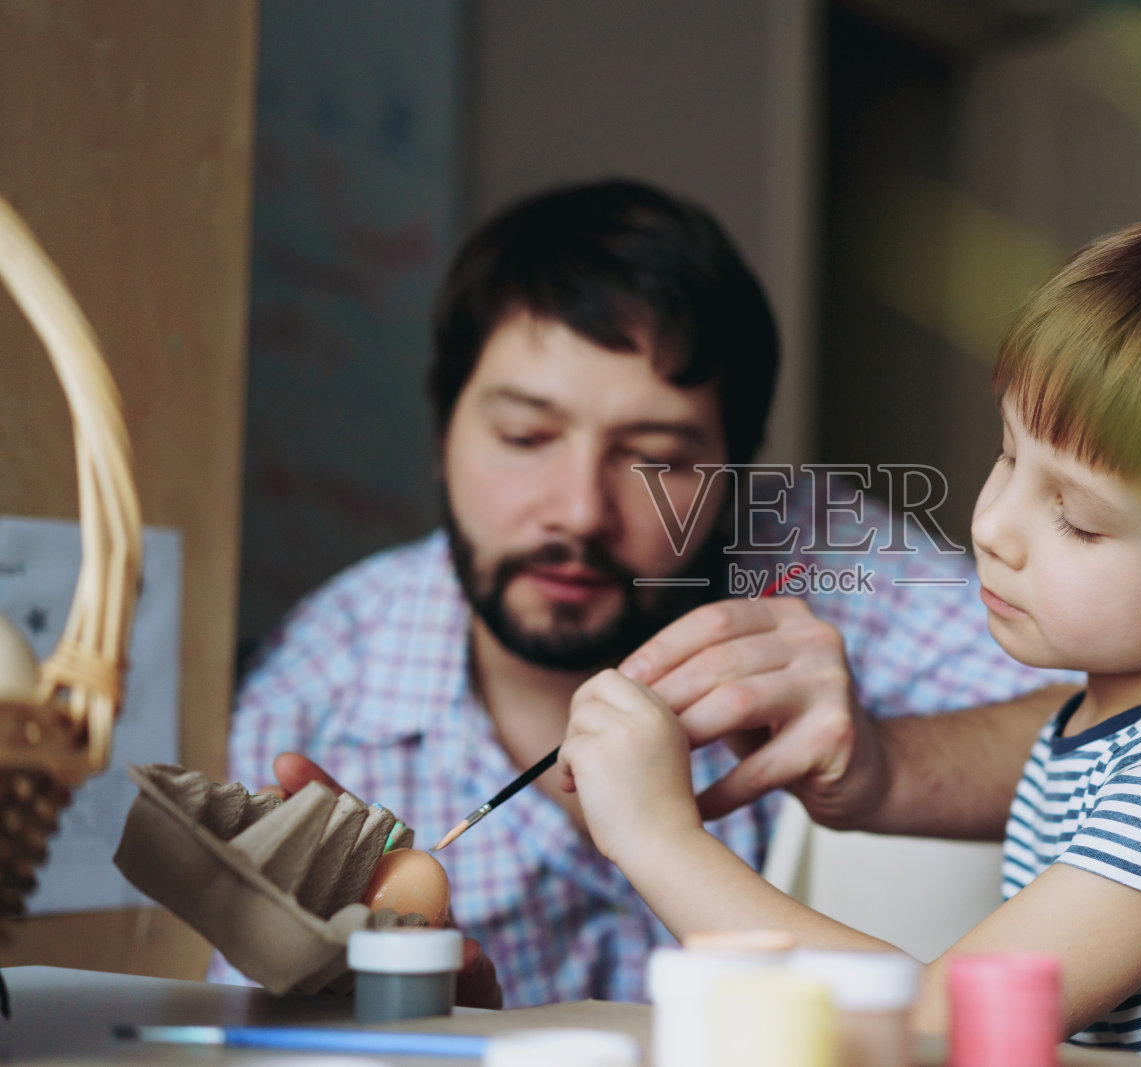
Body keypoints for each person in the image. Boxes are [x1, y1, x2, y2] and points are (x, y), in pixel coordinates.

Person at [560, 201, 1141, 1063]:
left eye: (1077, 519)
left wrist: (657, 838)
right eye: (1008, 454)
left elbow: (947, 1021)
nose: (994, 526)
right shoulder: (1124, 712)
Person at [214, 179, 1073, 1006]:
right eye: (525, 436)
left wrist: (893, 763)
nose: (580, 511)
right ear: (443, 433)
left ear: (738, 473)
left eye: (656, 457)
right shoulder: (318, 692)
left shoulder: (816, 556)